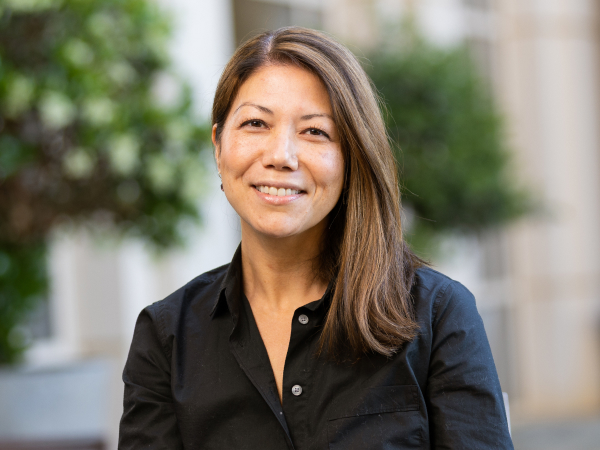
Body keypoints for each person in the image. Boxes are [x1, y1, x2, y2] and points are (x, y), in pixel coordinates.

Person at [118, 27, 514, 449]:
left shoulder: (436, 315)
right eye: (255, 123)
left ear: (352, 156)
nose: (280, 156)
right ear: (219, 146)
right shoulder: (166, 337)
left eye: (315, 132)